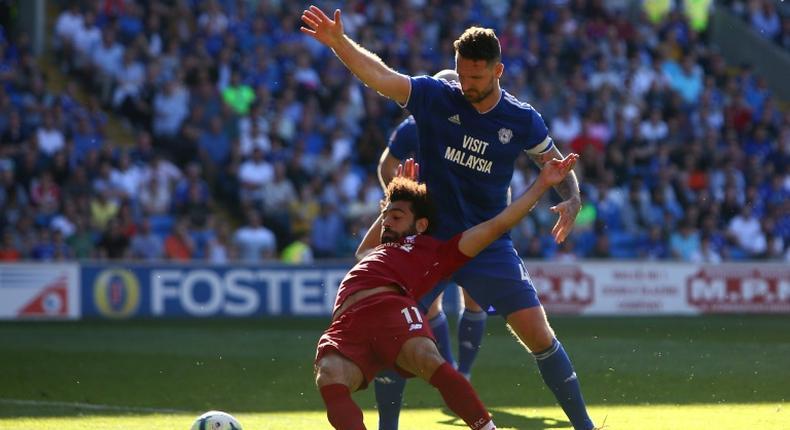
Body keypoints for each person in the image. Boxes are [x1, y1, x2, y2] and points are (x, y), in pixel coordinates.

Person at [301, 6, 596, 429]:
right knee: (387, 334)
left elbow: (557, 166)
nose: (467, 85)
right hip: (426, 243)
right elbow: (382, 78)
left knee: (538, 334)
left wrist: (572, 199)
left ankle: (584, 425)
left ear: (498, 71)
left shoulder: (522, 119)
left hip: (488, 242)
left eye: (476, 78)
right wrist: (339, 43)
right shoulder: (437, 97)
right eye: (462, 74)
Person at [315, 155, 579, 430]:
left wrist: (541, 185)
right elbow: (361, 252)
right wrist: (393, 195)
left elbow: (497, 225)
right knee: (329, 374)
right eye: (384, 218)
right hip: (346, 322)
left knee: (425, 358)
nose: (387, 223)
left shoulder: (437, 251)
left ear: (420, 225)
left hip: (390, 309)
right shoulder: (378, 250)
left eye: (396, 217)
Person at [375, 68, 489, 430]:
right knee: (429, 303)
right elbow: (385, 166)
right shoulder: (413, 127)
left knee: (473, 298)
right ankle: (453, 368)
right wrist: (405, 201)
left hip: (468, 224)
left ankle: (463, 374)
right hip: (430, 231)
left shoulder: (479, 124)